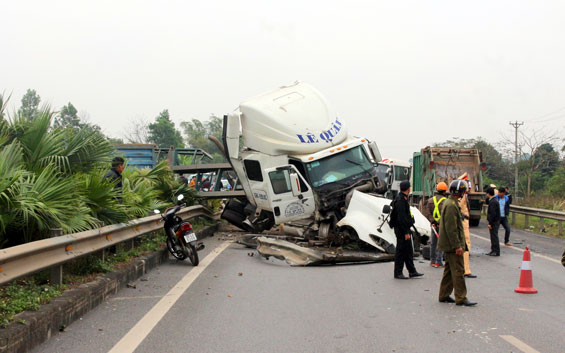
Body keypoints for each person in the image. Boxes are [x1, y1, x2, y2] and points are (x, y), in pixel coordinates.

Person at [438, 179, 477, 306]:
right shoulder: (451, 205)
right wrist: (457, 246)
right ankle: (461, 297)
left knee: (449, 271)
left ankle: (443, 295)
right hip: (452, 245)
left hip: (450, 244)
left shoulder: (451, 203)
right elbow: (452, 228)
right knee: (459, 271)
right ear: (460, 192)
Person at [390, 181, 423, 280]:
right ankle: (398, 272)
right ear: (408, 189)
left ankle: (412, 271)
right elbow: (401, 219)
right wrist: (406, 232)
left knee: (408, 251)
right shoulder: (400, 200)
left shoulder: (403, 198)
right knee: (401, 251)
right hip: (401, 230)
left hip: (404, 228)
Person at [425, 182, 448, 268]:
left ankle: (432, 261)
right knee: (441, 243)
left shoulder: (430, 200)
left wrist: (433, 222)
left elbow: (427, 213)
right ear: (445, 191)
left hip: (433, 226)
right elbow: (445, 214)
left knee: (433, 243)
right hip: (441, 225)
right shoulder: (446, 201)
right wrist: (438, 222)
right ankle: (439, 261)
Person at [457, 177, 476, 278]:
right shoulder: (461, 196)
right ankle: (465, 270)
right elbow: (458, 208)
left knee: (464, 245)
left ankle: (463, 269)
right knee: (465, 245)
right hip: (463, 222)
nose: (469, 187)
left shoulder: (463, 195)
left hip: (465, 221)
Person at [486, 188, 501, 256]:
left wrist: (490, 223)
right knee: (493, 236)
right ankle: (493, 250)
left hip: (494, 222)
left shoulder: (493, 202)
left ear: (488, 194)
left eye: (486, 193)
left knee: (494, 236)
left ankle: (496, 251)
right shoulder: (493, 200)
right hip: (495, 221)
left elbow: (492, 214)